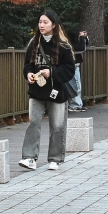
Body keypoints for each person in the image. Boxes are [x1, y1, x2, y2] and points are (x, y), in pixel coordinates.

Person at [19, 10, 76, 171]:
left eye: (45, 22)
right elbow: (28, 64)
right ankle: (29, 157)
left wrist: (51, 72)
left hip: (56, 91)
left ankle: (55, 158)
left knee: (57, 125)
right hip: (36, 91)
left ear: (54, 25)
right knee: (33, 122)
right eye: (40, 22)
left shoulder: (63, 46)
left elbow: (69, 70)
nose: (42, 25)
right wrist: (28, 73)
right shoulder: (34, 43)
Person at [69, 28, 90, 111]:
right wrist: (82, 37)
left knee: (76, 86)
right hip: (72, 66)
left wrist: (84, 38)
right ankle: (75, 105)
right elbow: (81, 48)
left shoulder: (72, 43)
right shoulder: (69, 44)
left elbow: (84, 46)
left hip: (75, 66)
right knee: (75, 86)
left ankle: (78, 104)